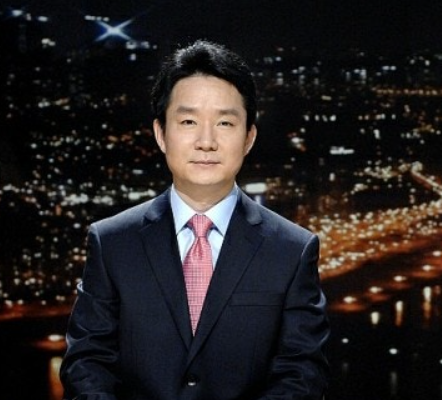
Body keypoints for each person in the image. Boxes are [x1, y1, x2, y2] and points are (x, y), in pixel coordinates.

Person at [60, 39, 329, 400]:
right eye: (188, 121)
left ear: (249, 137)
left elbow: (302, 372)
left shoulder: (292, 249)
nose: (206, 141)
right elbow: (87, 362)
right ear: (161, 134)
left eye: (224, 123)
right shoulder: (112, 242)